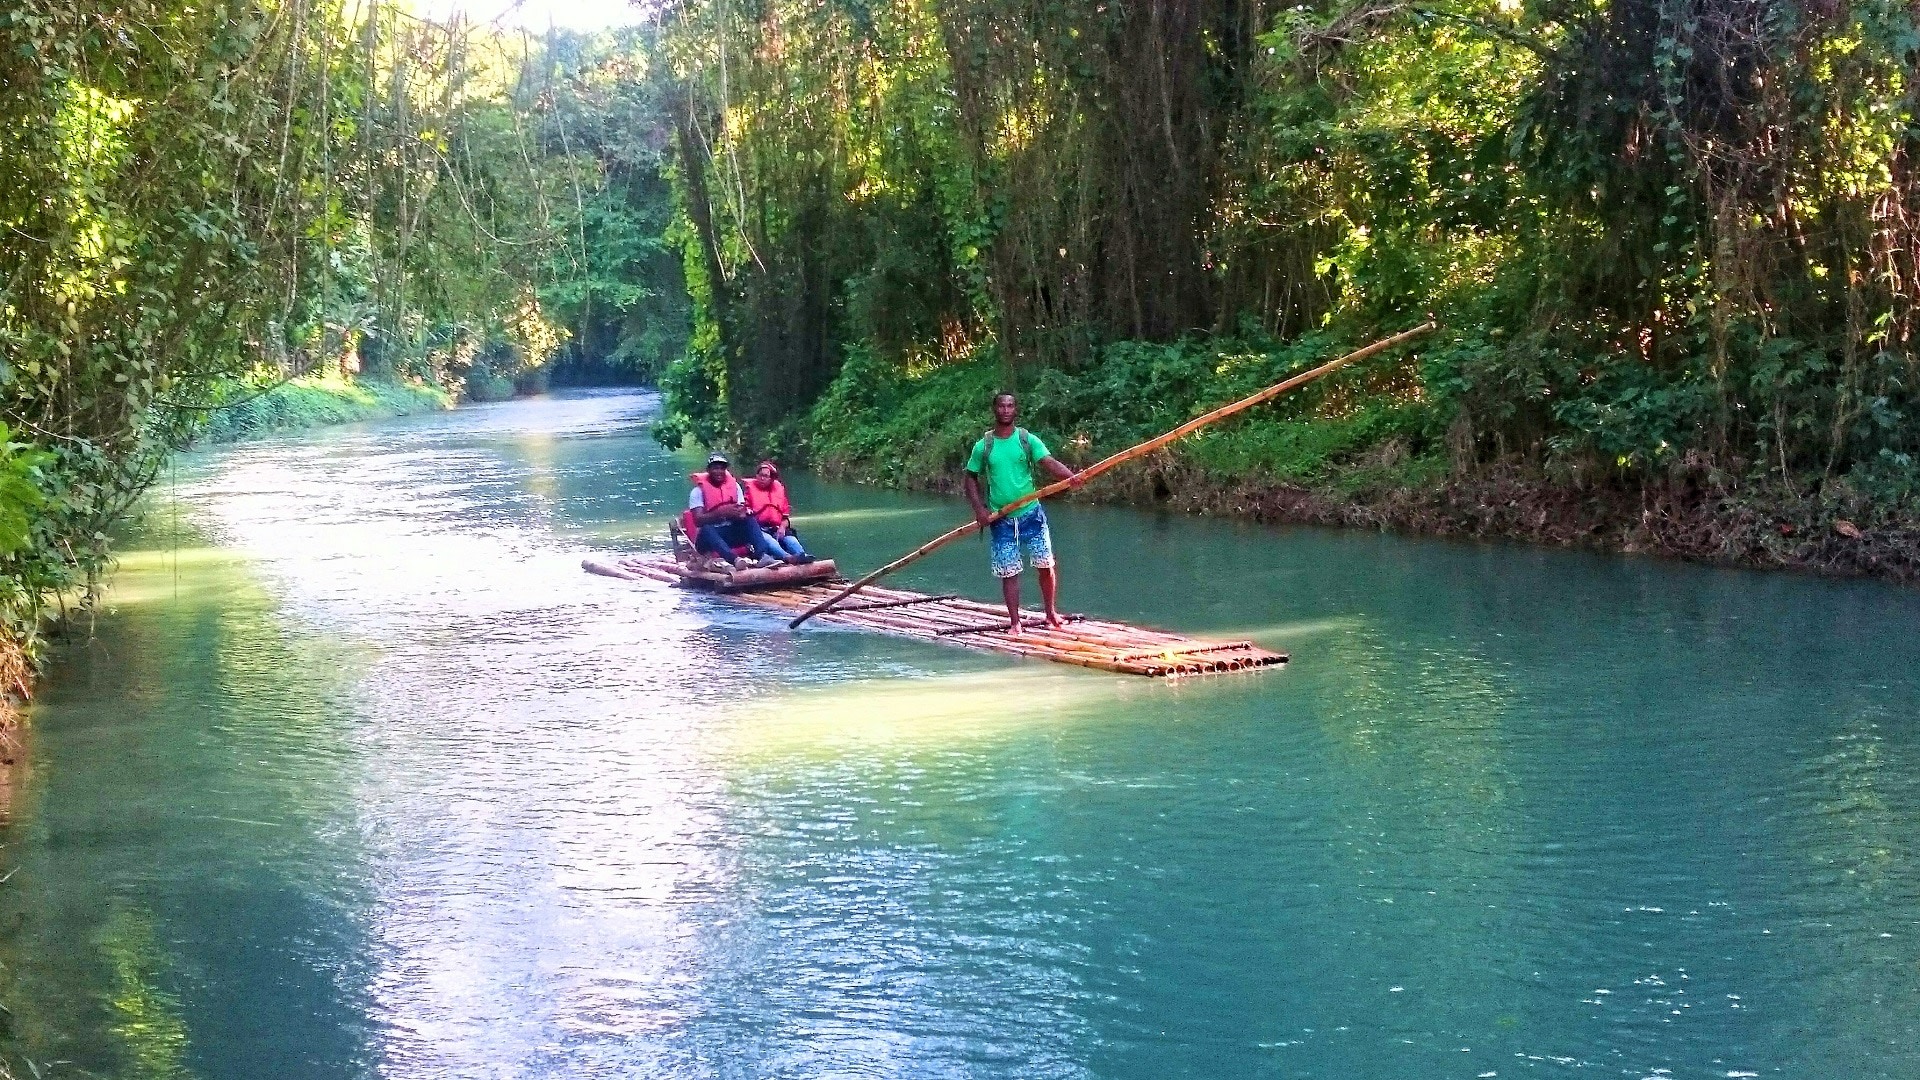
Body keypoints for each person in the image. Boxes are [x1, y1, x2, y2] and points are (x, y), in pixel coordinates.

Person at [962, 391, 1081, 634]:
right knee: (1009, 572)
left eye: (1010, 406)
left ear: (1016, 410)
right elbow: (970, 478)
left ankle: (1050, 614)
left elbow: (1048, 462)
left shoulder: (1027, 440)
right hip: (1001, 519)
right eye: (1001, 407)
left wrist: (1071, 477)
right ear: (994, 410)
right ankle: (1015, 623)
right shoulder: (984, 446)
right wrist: (979, 510)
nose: (1005, 410)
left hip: (1031, 514)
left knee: (1046, 565)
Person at [688, 452, 794, 569]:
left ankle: (762, 556)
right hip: (706, 540)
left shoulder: (735, 487)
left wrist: (740, 514)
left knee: (749, 519)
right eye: (715, 468)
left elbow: (741, 512)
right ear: (708, 470)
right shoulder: (697, 492)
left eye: (722, 468)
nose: (719, 471)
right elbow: (698, 520)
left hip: (728, 534)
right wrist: (720, 513)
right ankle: (735, 560)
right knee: (707, 529)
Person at [745, 460, 814, 562]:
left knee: (791, 539)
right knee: (768, 540)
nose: (762, 478)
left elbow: (785, 518)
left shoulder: (779, 491)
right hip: (759, 528)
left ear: (771, 479)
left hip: (777, 527)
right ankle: (787, 557)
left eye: (766, 476)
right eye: (760, 475)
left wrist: (782, 528)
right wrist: (747, 511)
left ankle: (802, 555)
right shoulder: (749, 491)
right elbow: (744, 511)